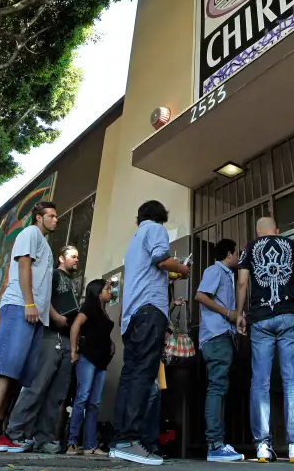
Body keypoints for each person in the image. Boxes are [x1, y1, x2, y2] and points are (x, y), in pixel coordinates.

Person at [0, 201, 64, 452]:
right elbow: (23, 266)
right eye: (51, 216)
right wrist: (30, 303)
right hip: (19, 307)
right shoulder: (30, 233)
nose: (56, 220)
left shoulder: (44, 243)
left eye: (56, 216)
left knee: (18, 373)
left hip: (35, 315)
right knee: (5, 367)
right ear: (38, 217)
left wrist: (49, 314)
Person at [109, 200, 189, 466]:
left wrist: (170, 274)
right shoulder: (155, 229)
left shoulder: (134, 241)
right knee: (143, 376)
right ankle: (130, 441)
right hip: (149, 312)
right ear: (160, 216)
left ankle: (122, 440)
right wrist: (182, 268)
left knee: (131, 376)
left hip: (132, 316)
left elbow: (152, 269)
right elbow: (161, 259)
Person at [235, 217, 294, 463]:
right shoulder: (292, 246)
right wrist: (292, 293)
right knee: (292, 381)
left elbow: (242, 282)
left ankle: (262, 446)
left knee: (260, 382)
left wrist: (240, 314)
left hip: (260, 319)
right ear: (278, 231)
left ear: (258, 231)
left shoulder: (249, 247)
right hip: (288, 318)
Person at [6, 245, 80, 453]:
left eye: (77, 257)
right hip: (49, 336)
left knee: (56, 393)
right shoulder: (53, 275)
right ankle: (16, 433)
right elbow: (42, 297)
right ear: (61, 258)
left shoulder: (73, 283)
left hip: (66, 340)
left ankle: (43, 439)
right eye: (73, 256)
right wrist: (56, 316)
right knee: (37, 386)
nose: (76, 260)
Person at [194, 238, 243, 462]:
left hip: (222, 335)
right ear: (230, 254)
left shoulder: (227, 275)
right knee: (217, 388)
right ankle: (215, 445)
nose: (239, 256)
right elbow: (201, 296)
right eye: (237, 252)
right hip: (215, 336)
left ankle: (217, 443)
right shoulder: (215, 270)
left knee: (220, 388)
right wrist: (228, 313)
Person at [67, 278, 117, 455]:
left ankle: (90, 446)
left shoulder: (104, 312)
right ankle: (72, 442)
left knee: (94, 403)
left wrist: (111, 344)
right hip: (88, 358)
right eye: (106, 289)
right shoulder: (89, 306)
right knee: (82, 399)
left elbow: (101, 333)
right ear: (97, 292)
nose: (109, 292)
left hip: (102, 361)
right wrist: (74, 351)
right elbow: (75, 327)